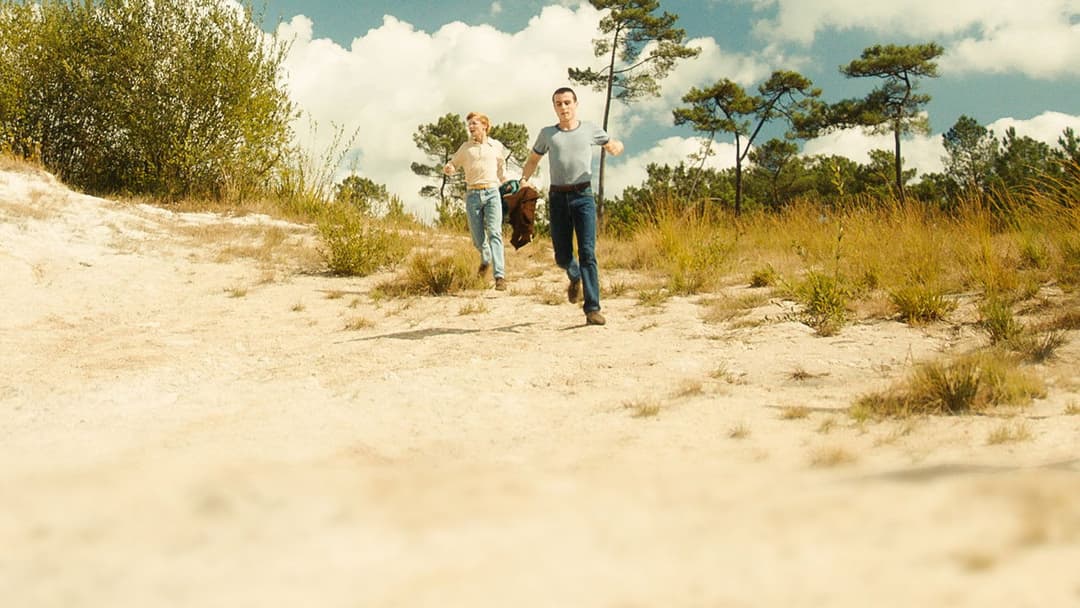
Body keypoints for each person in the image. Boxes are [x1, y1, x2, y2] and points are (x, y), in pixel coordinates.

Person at [520, 87, 624, 326]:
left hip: (583, 196)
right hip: (557, 198)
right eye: (559, 104)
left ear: (576, 104)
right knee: (562, 255)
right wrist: (524, 179)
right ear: (555, 107)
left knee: (588, 253)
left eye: (567, 102)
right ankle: (574, 275)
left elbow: (611, 143)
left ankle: (592, 309)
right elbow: (534, 159)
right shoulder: (547, 134)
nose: (563, 107)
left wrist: (616, 146)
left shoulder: (590, 129)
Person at [444, 112, 509, 291]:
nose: (471, 127)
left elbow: (502, 169)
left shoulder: (495, 146)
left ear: (485, 126)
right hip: (472, 195)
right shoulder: (465, 148)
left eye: (474, 124)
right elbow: (453, 164)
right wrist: (449, 168)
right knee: (477, 239)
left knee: (495, 233)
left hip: (492, 193)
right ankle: (486, 259)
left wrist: (507, 184)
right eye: (469, 125)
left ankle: (499, 277)